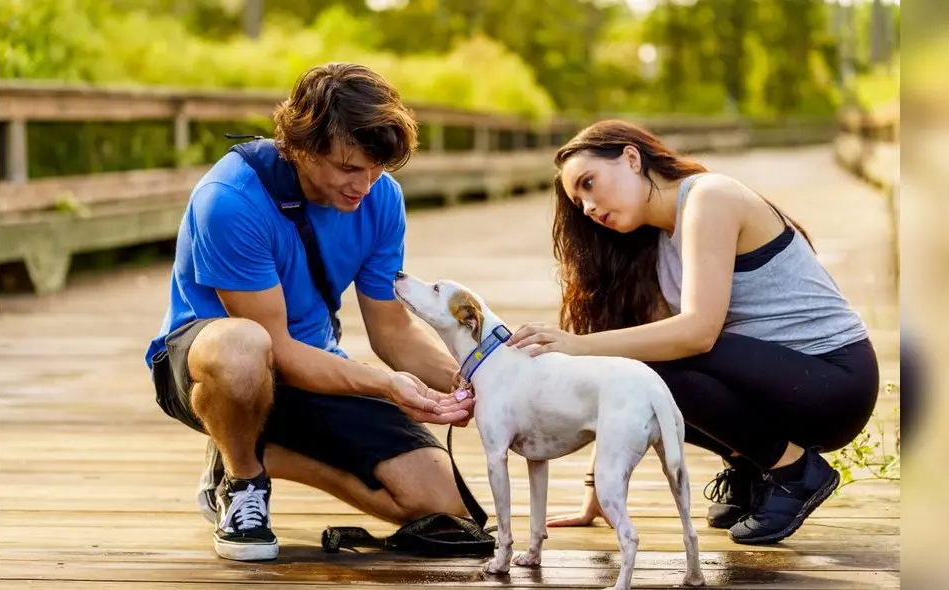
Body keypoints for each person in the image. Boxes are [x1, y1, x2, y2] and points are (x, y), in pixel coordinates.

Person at [144, 62, 475, 562]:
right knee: (243, 347)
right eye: (348, 168)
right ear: (298, 146)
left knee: (443, 506)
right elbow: (273, 347)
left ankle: (260, 452)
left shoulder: (381, 198)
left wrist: (473, 381)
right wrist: (386, 385)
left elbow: (391, 330)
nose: (363, 186)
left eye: (375, 169)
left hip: (314, 364)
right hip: (212, 368)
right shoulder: (230, 200)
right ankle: (243, 480)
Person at [504, 119, 880, 545]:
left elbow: (699, 333)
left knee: (661, 363)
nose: (588, 207)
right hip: (780, 389)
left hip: (832, 382)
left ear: (631, 158)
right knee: (645, 375)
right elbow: (628, 373)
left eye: (589, 184)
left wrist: (577, 346)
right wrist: (596, 493)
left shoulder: (709, 197)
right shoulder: (658, 243)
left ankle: (795, 472)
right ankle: (751, 465)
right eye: (579, 202)